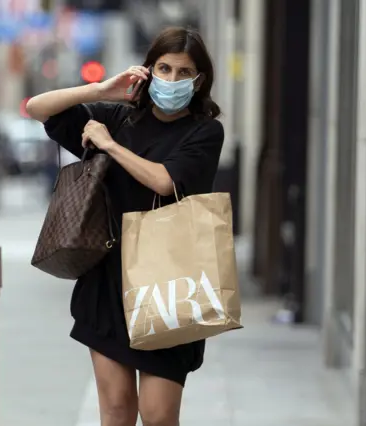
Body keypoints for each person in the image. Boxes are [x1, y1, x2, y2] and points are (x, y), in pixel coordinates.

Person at [27, 26, 224, 426]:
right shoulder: (118, 117)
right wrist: (98, 91)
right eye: (163, 68)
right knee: (115, 410)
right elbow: (37, 107)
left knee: (157, 415)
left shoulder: (204, 132)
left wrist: (110, 146)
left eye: (183, 73)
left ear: (198, 80)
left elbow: (166, 182)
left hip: (170, 281)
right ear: (148, 70)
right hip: (107, 280)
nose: (171, 79)